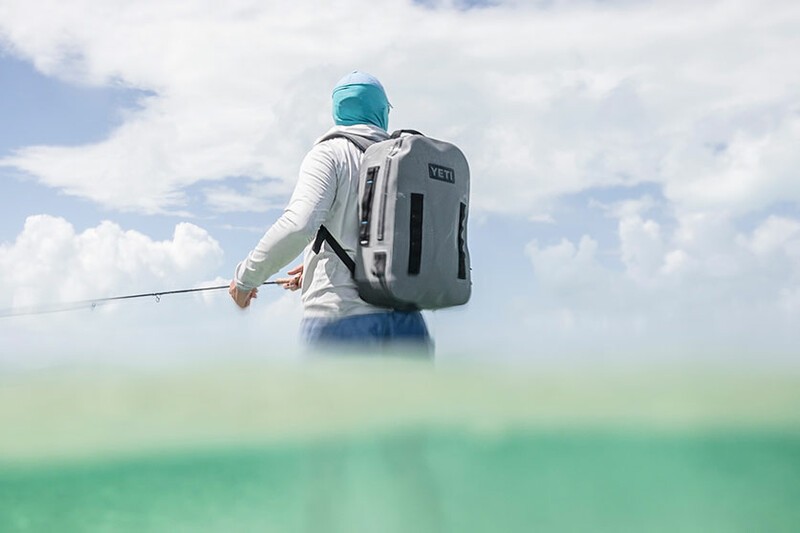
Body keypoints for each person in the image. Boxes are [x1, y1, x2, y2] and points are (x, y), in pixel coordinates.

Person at [229, 71, 432, 355]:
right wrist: (316, 263)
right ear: (383, 110)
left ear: (338, 110)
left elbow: (299, 225)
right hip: (409, 328)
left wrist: (245, 279)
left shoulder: (331, 153)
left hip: (342, 322)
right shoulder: (408, 161)